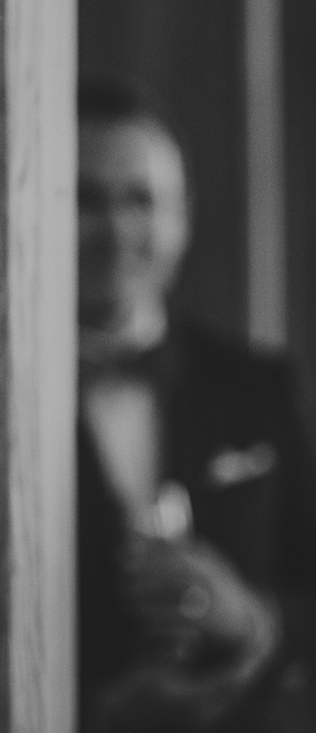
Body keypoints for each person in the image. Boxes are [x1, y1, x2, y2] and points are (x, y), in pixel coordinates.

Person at [76, 79, 316, 731]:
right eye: (87, 199)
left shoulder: (260, 388)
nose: (117, 229)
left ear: (182, 218)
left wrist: (253, 615)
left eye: (142, 200)